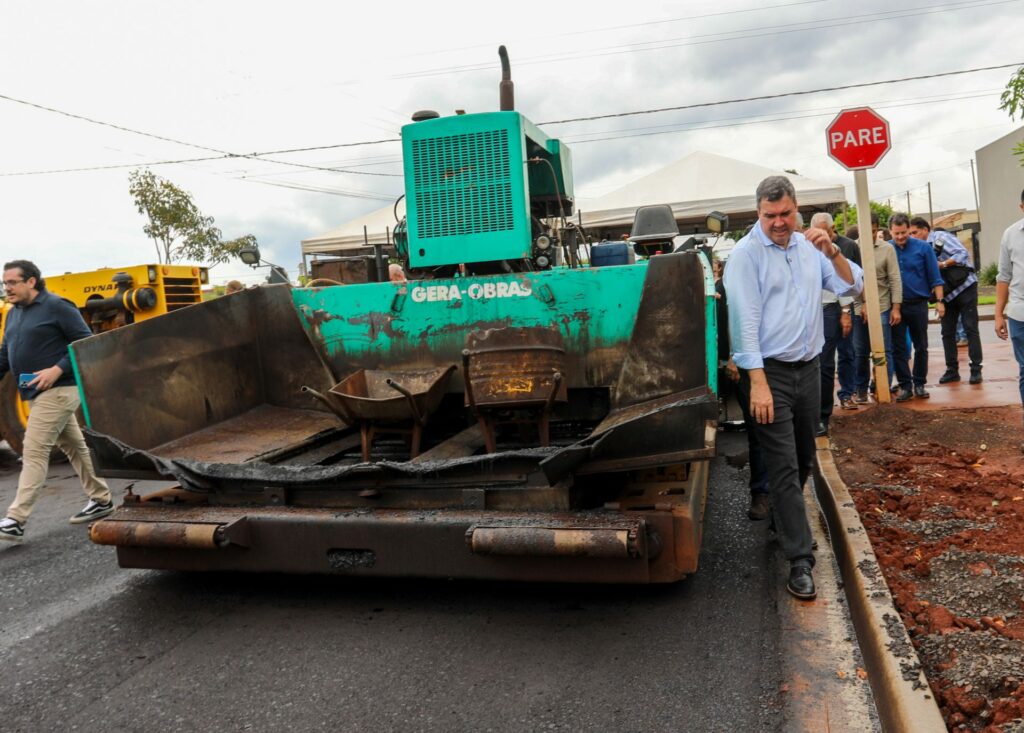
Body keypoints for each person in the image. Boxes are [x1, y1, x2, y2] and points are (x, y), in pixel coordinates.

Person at [724, 176, 863, 600]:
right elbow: (744, 324)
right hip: (770, 376)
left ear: (795, 207)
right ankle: (800, 560)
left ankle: (783, 522)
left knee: (804, 458)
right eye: (770, 216)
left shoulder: (809, 248)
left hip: (810, 369)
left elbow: (852, 286)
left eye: (785, 213)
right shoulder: (746, 256)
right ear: (758, 213)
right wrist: (759, 385)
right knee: (783, 465)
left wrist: (832, 252)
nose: (779, 223)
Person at [0, 261, 114, 543]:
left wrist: (57, 369)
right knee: (74, 446)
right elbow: (5, 355)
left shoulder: (58, 306)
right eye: (5, 284)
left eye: (12, 282)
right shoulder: (13, 314)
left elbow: (84, 342)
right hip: (34, 392)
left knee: (34, 449)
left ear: (32, 282)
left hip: (61, 388)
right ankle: (101, 499)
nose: (7, 288)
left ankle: (16, 519)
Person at [714, 258, 771, 521]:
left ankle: (786, 511)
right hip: (747, 365)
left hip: (779, 362)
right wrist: (733, 357)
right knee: (759, 431)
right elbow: (732, 321)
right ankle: (762, 494)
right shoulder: (728, 285)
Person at [908, 218, 983, 385]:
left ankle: (976, 369)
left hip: (965, 287)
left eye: (915, 232)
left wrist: (941, 264)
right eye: (910, 234)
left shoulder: (939, 237)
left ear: (925, 230)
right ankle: (952, 370)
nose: (912, 237)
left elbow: (962, 253)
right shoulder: (916, 248)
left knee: (970, 328)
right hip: (946, 293)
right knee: (947, 332)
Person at [812, 212, 861, 434]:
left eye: (826, 231)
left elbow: (844, 283)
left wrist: (844, 311)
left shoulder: (839, 250)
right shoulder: (804, 251)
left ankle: (823, 415)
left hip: (830, 310)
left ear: (832, 230)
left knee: (827, 363)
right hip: (810, 313)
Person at [888, 213, 944, 402]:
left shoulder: (923, 248)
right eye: (896, 233)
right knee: (899, 348)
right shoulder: (888, 249)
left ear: (908, 230)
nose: (900, 237)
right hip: (896, 306)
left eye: (904, 232)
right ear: (890, 232)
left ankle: (919, 383)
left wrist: (940, 301)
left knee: (921, 346)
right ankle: (905, 385)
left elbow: (935, 276)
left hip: (918, 304)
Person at [851, 213, 902, 403]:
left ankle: (884, 387)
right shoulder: (852, 248)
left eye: (873, 231)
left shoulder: (887, 249)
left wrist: (896, 307)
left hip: (882, 306)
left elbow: (895, 279)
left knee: (884, 350)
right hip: (858, 308)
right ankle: (861, 390)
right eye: (866, 231)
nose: (869, 235)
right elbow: (850, 280)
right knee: (860, 351)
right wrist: (862, 303)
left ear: (878, 230)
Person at [994, 188, 1024, 434]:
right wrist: (998, 314)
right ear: (1022, 208)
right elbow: (1003, 277)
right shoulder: (1011, 235)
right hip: (1019, 314)